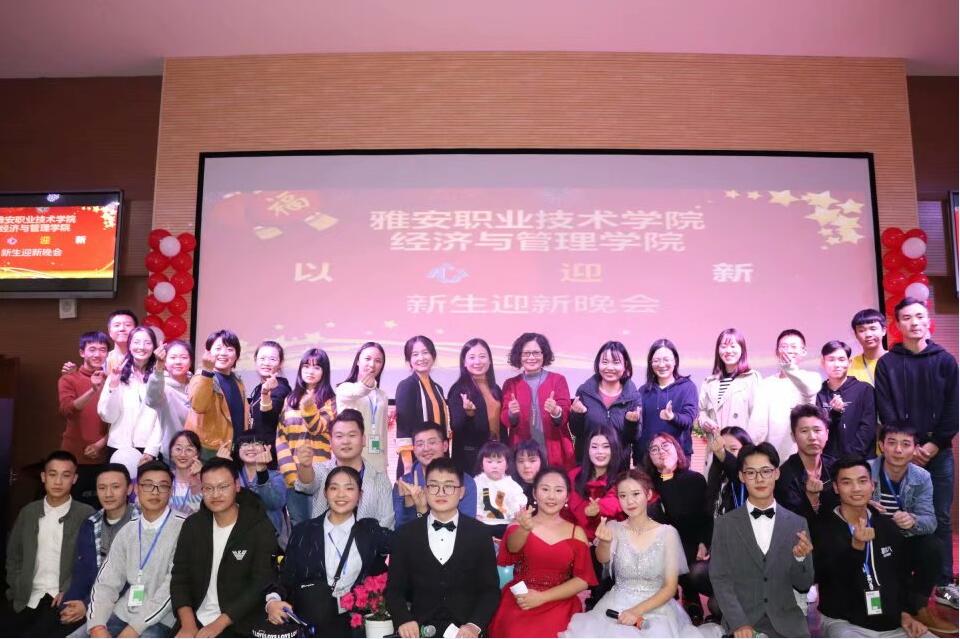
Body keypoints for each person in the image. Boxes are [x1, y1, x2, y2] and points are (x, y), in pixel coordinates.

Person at [562, 469, 718, 638]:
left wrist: (636, 611)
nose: (630, 501)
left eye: (636, 494)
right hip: (616, 603)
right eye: (623, 496)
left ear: (648, 494)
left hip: (657, 607)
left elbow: (670, 587)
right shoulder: (614, 527)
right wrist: (605, 542)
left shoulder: (668, 533)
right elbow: (602, 559)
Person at [875, 297, 958, 605]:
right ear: (897, 324)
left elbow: (954, 407)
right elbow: (886, 407)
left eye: (920, 316)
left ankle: (944, 582)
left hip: (939, 452)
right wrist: (906, 447)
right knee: (894, 514)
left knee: (939, 516)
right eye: (907, 317)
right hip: (899, 453)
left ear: (927, 320)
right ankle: (901, 580)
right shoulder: (888, 363)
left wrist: (933, 444)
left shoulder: (945, 360)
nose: (914, 322)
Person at [811, 457, 933, 638]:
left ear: (872, 485)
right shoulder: (823, 529)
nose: (856, 488)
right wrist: (856, 548)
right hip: (844, 622)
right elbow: (824, 578)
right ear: (836, 487)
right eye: (847, 482)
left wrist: (905, 613)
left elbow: (902, 577)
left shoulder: (887, 527)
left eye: (862, 481)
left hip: (891, 621)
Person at [266, 466, 392, 637]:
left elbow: (407, 544)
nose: (341, 494)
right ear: (325, 493)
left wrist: (420, 511)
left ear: (360, 495)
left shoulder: (370, 531)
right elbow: (286, 576)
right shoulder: (304, 532)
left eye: (349, 488)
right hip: (314, 625)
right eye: (334, 488)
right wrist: (272, 601)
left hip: (357, 627)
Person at [386, 457, 501, 638]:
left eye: (449, 486)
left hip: (466, 632)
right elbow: (394, 590)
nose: (441, 492)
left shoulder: (480, 534)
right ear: (425, 490)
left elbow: (490, 590)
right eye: (433, 486)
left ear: (461, 492)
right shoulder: (406, 535)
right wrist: (403, 619)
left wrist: (474, 625)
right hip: (419, 630)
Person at [709, 442, 815, 638]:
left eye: (766, 471)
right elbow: (720, 579)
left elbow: (804, 584)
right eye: (751, 473)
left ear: (777, 473)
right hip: (743, 624)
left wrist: (800, 559)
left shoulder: (797, 523)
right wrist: (739, 623)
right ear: (741, 476)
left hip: (788, 625)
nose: (759, 479)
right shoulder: (725, 524)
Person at [170, 457, 278, 637]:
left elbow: (259, 584)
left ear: (237, 486)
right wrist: (188, 625)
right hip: (195, 619)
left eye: (223, 487)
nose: (215, 494)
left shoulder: (258, 526)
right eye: (208, 488)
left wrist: (219, 624)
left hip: (238, 621)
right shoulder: (193, 525)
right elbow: (180, 577)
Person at [489, 466, 597, 638]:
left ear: (567, 496)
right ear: (534, 493)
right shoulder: (519, 525)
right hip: (522, 600)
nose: (551, 496)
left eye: (558, 490)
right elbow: (512, 548)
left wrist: (542, 597)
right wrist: (524, 529)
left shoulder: (576, 532)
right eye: (545, 489)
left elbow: (583, 580)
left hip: (560, 602)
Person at [869, 425, 955, 634]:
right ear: (881, 446)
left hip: (904, 540)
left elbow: (930, 521)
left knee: (933, 546)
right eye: (891, 443)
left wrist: (913, 520)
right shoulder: (865, 470)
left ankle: (918, 607)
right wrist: (866, 508)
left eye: (906, 444)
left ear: (915, 449)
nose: (898, 450)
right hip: (872, 543)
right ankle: (884, 608)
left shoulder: (922, 476)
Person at [85, 460, 185, 638]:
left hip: (163, 618)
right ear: (137, 489)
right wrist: (97, 626)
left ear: (171, 491)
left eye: (163, 486)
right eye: (148, 485)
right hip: (124, 612)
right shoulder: (128, 530)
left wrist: (134, 629)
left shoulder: (184, 528)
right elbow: (106, 583)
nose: (155, 492)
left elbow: (172, 588)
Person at [5, 451, 94, 637]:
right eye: (52, 474)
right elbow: (13, 556)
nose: (58, 482)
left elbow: (92, 564)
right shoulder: (28, 512)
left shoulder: (86, 514)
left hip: (63, 600)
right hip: (26, 597)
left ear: (75, 479)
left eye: (66, 475)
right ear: (43, 477)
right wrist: (17, 586)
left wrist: (74, 593)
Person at [59, 464, 139, 630]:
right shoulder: (90, 523)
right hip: (89, 602)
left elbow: (136, 581)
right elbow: (81, 572)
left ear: (129, 489)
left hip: (126, 608)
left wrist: (88, 604)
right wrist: (70, 603)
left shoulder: (142, 524)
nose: (108, 494)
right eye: (102, 488)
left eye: (115, 487)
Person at [645, 433, 712, 624]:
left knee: (694, 568)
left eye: (666, 446)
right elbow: (670, 514)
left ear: (677, 449)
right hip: (661, 546)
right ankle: (670, 593)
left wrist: (704, 541)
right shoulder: (648, 483)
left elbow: (704, 516)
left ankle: (690, 594)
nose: (660, 451)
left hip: (691, 543)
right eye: (654, 449)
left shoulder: (695, 479)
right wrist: (666, 473)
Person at [295, 409, 395, 528]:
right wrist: (305, 466)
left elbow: (387, 523)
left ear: (363, 440)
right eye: (339, 436)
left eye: (352, 435)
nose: (346, 441)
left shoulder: (380, 480)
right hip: (324, 539)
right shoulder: (321, 470)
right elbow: (307, 484)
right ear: (331, 442)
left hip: (367, 540)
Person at [276, 348, 336, 527]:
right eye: (306, 366)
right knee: (299, 527)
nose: (310, 371)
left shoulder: (330, 400)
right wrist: (290, 475)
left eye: (317, 367)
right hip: (294, 479)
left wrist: (309, 407)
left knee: (321, 526)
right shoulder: (290, 400)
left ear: (324, 372)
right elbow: (281, 439)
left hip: (320, 476)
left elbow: (317, 428)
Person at [501, 332, 575, 469]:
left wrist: (556, 411)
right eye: (526, 353)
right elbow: (505, 419)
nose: (531, 357)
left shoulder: (558, 380)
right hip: (522, 450)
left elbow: (565, 413)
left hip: (553, 448)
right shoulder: (510, 384)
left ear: (544, 354)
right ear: (519, 356)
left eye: (536, 353)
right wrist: (511, 413)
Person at [747, 329, 822, 464]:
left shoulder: (811, 378)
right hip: (771, 456)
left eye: (793, 347)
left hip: (801, 455)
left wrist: (789, 368)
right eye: (784, 346)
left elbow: (809, 389)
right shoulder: (766, 384)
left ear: (803, 351)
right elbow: (757, 424)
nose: (788, 351)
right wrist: (752, 451)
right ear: (777, 352)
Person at [697, 329, 761, 474]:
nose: (728, 351)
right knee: (713, 487)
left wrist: (753, 452)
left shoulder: (752, 378)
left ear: (742, 349)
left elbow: (758, 419)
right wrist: (704, 421)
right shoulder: (709, 381)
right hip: (715, 448)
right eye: (723, 346)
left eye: (733, 346)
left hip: (740, 450)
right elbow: (702, 412)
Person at [569, 341, 641, 468]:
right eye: (605, 362)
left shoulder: (633, 396)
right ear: (598, 364)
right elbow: (576, 431)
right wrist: (577, 415)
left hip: (618, 467)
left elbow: (634, 438)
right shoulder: (584, 391)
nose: (610, 367)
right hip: (587, 466)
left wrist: (631, 423)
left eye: (616, 362)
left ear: (625, 365)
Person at [59, 331, 111, 505]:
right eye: (92, 349)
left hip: (103, 456)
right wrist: (93, 390)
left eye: (102, 350)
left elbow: (119, 422)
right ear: (82, 352)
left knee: (100, 508)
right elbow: (67, 410)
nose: (97, 354)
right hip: (72, 456)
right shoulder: (69, 379)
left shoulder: (112, 381)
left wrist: (100, 445)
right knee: (70, 507)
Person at [392, 422, 477, 528]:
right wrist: (409, 505)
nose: (426, 448)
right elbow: (400, 530)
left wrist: (422, 510)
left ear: (445, 446)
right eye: (420, 444)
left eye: (432, 442)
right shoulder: (404, 483)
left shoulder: (465, 481)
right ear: (414, 449)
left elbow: (467, 527)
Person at [97, 326, 160, 465]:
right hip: (118, 446)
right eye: (136, 342)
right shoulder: (117, 374)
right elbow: (108, 417)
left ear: (154, 347)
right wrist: (114, 384)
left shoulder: (160, 377)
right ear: (129, 345)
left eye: (147, 343)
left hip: (148, 448)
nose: (141, 347)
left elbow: (161, 419)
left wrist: (152, 450)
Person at [188, 329, 250, 458]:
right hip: (209, 451)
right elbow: (199, 406)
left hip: (235, 449)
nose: (223, 353)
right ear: (208, 353)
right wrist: (207, 371)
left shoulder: (238, 381)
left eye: (229, 349)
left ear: (237, 355)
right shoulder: (201, 377)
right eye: (218, 348)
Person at [395, 336, 451, 476]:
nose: (421, 358)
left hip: (438, 459)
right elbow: (403, 429)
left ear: (433, 356)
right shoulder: (407, 386)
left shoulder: (438, 388)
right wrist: (408, 467)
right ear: (409, 360)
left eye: (425, 352)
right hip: (415, 462)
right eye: (415, 354)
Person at [774, 404, 839, 522]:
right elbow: (788, 522)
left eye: (817, 430)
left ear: (827, 434)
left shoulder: (837, 468)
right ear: (793, 436)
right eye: (804, 431)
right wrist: (812, 501)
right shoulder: (784, 476)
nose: (812, 437)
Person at [637, 339, 698, 464]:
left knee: (671, 477)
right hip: (647, 460)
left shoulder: (687, 387)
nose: (661, 364)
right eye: (656, 360)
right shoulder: (643, 391)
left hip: (677, 460)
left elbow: (688, 419)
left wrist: (672, 417)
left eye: (666, 359)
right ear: (650, 363)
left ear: (675, 361)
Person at [448, 338, 503, 477]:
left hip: (496, 457)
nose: (477, 362)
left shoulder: (495, 389)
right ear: (464, 363)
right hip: (471, 460)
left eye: (482, 356)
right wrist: (469, 414)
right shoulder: (458, 390)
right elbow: (456, 427)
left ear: (490, 361)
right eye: (472, 357)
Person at [816, 340, 877, 459]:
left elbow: (868, 427)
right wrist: (834, 414)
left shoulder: (864, 389)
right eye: (831, 359)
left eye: (841, 359)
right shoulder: (818, 394)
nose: (836, 364)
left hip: (862, 461)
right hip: (830, 462)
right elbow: (819, 430)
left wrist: (851, 458)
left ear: (849, 362)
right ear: (823, 363)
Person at [335, 342, 389, 474]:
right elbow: (358, 392)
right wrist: (367, 386)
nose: (372, 364)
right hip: (352, 460)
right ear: (358, 361)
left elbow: (383, 431)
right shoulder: (344, 388)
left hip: (378, 461)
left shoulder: (382, 396)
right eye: (367, 359)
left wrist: (385, 462)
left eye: (378, 361)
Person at [232, 431, 290, 550]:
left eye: (257, 443)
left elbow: (274, 503)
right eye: (245, 444)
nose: (251, 448)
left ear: (266, 448)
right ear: (237, 450)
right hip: (237, 538)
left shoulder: (276, 476)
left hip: (268, 540)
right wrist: (222, 465)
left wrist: (262, 473)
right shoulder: (232, 477)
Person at [566, 426, 623, 542]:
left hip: (607, 543)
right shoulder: (573, 475)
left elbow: (616, 503)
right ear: (588, 449)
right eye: (594, 447)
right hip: (572, 539)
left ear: (614, 449)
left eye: (606, 446)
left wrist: (599, 509)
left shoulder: (622, 480)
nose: (600, 452)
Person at [144, 339, 196, 461]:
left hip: (198, 453)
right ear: (165, 362)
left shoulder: (197, 384)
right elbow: (151, 400)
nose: (178, 361)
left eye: (184, 357)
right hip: (172, 454)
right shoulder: (162, 386)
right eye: (173, 357)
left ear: (190, 362)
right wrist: (159, 366)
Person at [473, 440, 527, 538]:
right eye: (489, 462)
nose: (494, 466)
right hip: (482, 522)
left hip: (505, 523)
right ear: (481, 465)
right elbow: (472, 501)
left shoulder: (511, 484)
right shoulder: (477, 482)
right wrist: (476, 514)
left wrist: (515, 514)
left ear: (507, 465)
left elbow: (518, 501)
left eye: (499, 462)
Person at [248, 340, 292, 458]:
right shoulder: (260, 387)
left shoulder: (281, 389)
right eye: (262, 359)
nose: (266, 363)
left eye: (272, 359)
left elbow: (269, 417)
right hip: (256, 453)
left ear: (280, 363)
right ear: (255, 361)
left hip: (271, 455)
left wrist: (265, 393)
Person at [62, 310, 139, 377]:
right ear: (109, 331)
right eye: (117, 325)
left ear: (136, 330)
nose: (122, 329)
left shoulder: (142, 357)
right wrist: (74, 375)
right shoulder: (101, 359)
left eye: (128, 325)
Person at [704, 426, 753, 520]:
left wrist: (721, 453)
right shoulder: (716, 475)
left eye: (733, 449)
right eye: (722, 448)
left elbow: (737, 472)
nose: (726, 452)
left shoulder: (751, 477)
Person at [848, 309, 888, 386]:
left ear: (884, 331)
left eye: (873, 329)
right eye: (861, 330)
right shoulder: (850, 365)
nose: (868, 334)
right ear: (856, 335)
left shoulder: (896, 360)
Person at [512, 439, 547, 505]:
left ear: (541, 461)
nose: (526, 466)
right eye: (521, 461)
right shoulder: (509, 488)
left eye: (532, 460)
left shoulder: (550, 486)